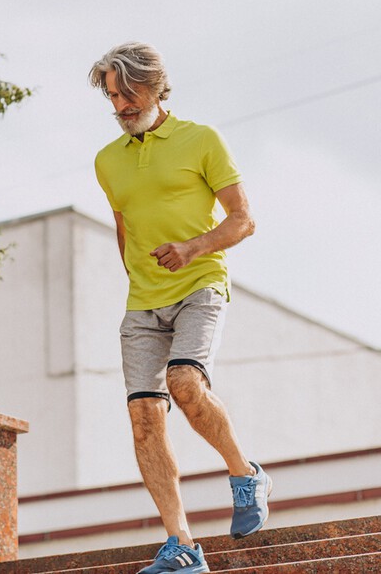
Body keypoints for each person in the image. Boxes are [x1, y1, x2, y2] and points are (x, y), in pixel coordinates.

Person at [90, 42, 272, 574]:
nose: (120, 105)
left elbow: (243, 219)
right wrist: (139, 282)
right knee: (144, 419)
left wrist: (192, 249)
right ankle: (182, 545)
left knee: (185, 383)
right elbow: (124, 229)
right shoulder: (107, 161)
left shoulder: (202, 139)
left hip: (199, 284)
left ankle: (245, 475)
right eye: (112, 96)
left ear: (155, 86)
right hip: (143, 304)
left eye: (128, 92)